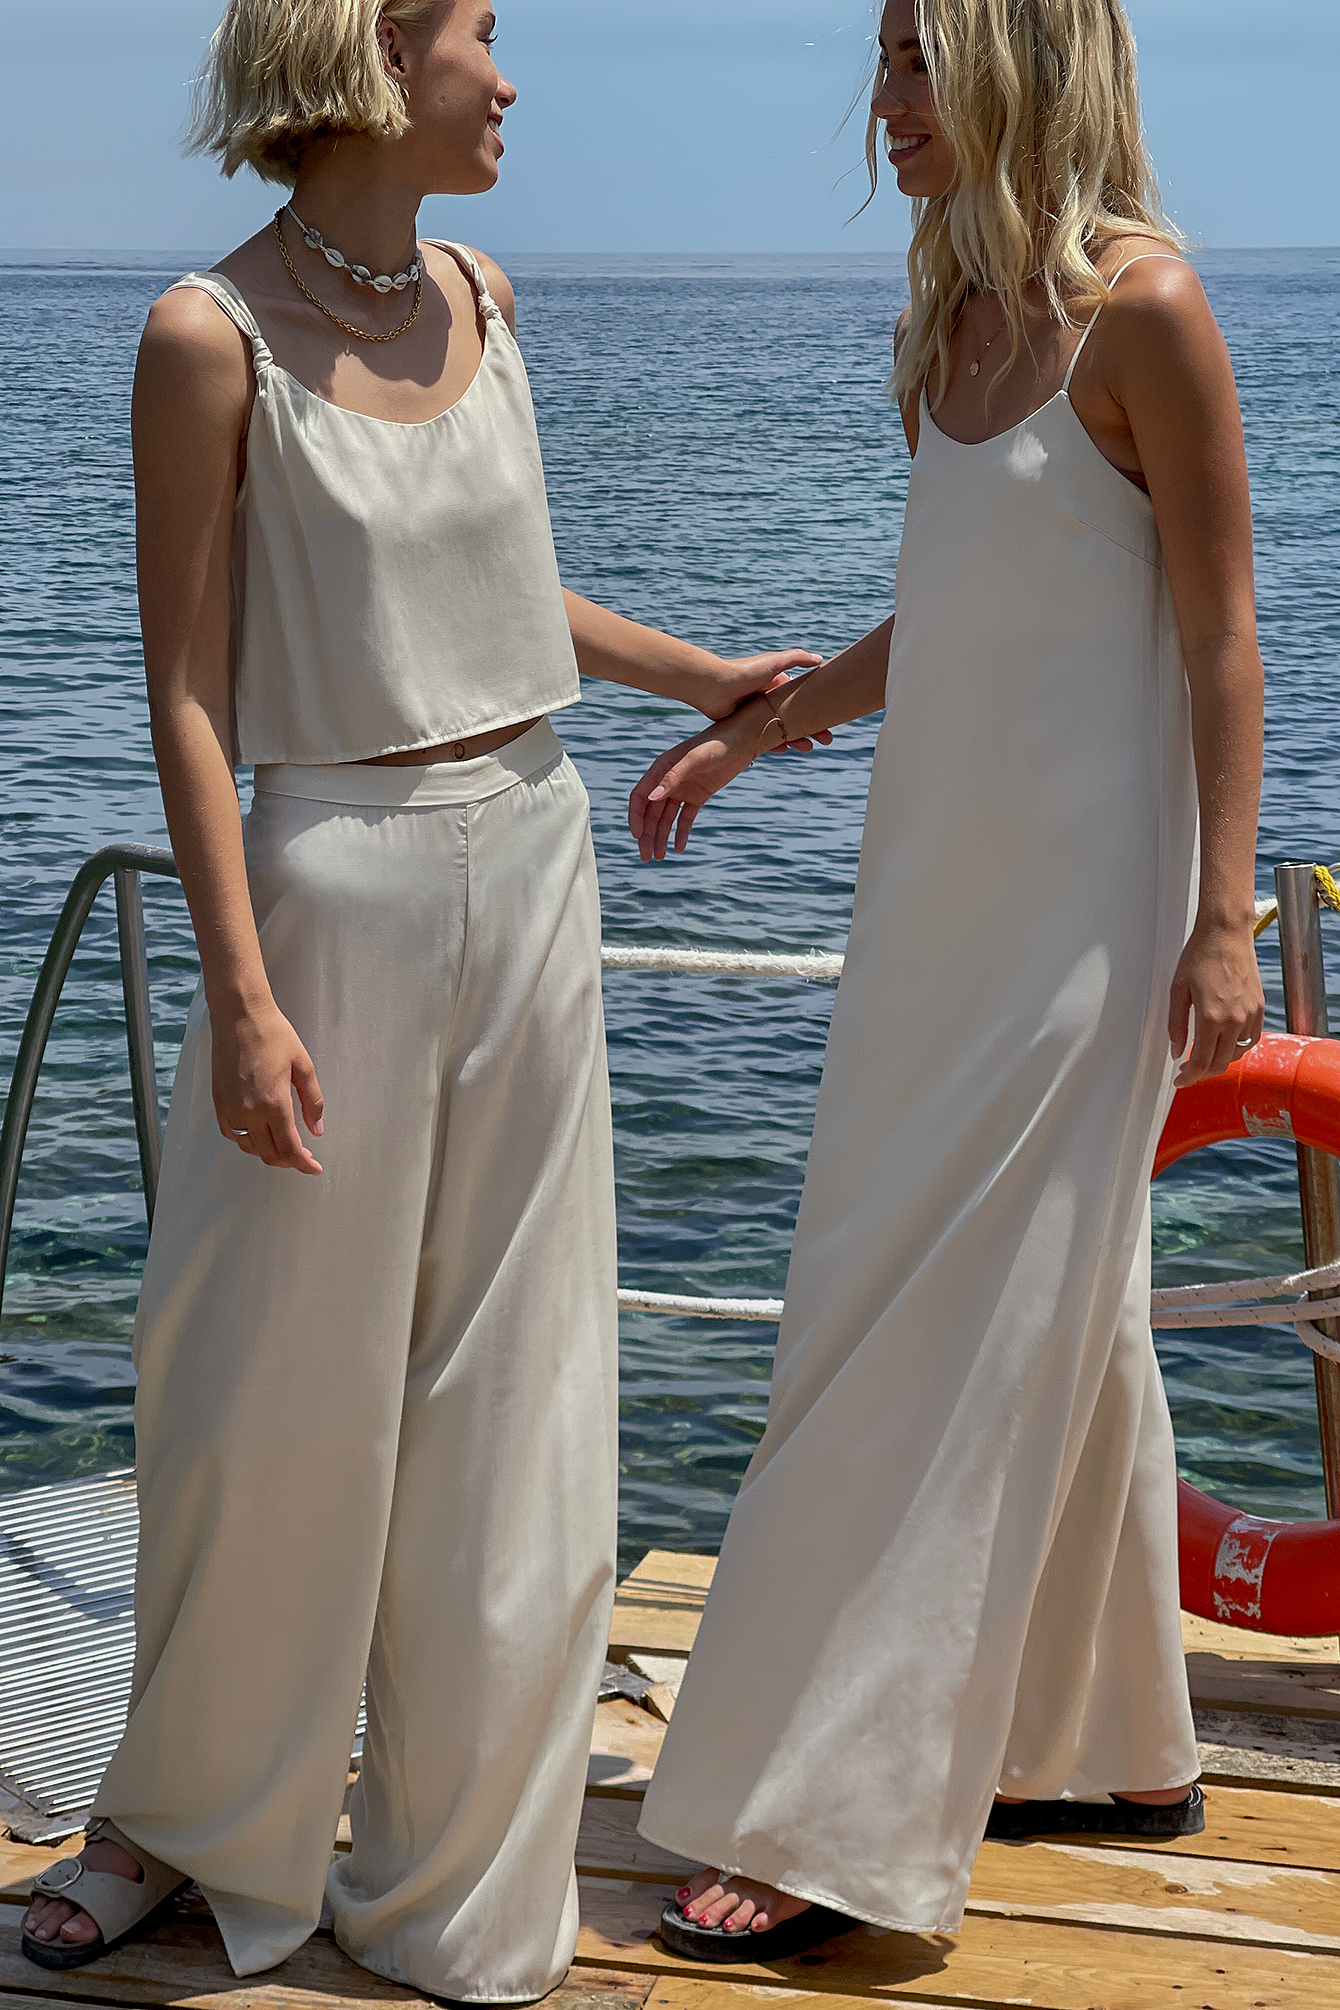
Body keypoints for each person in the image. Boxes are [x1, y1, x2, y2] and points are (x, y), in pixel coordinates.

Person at [20, 2, 822, 1999]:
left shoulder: (483, 292)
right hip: (330, 879)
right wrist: (238, 987)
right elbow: (185, 684)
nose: (510, 76)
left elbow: (504, 591)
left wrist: (704, 676)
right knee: (259, 1391)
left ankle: (453, 1869)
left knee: (513, 1396)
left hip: (532, 851)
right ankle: (180, 1820)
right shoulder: (205, 334)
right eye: (481, 32)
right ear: (377, 50)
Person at [631, 0, 1265, 1961]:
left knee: (922, 1326)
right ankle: (1107, 1741)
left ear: (1019, 68)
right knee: (1047, 1305)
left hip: (1086, 914)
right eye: (884, 59)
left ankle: (835, 1810)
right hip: (933, 894)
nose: (882, 99)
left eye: (918, 57)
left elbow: (1221, 635)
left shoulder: (1146, 312)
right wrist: (756, 729)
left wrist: (1222, 920)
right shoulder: (953, 326)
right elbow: (969, 609)